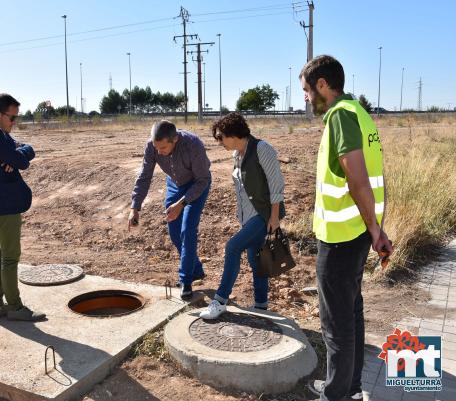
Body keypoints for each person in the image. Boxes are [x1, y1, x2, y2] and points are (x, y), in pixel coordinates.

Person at [299, 55, 393, 401]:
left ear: (323, 85)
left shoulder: (339, 116)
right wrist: (375, 230)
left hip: (340, 238)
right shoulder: (359, 112)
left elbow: (357, 179)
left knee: (336, 323)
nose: (307, 99)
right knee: (350, 311)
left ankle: (335, 395)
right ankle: (349, 388)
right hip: (356, 234)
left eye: (308, 91)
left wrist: (376, 231)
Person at [200, 112, 286, 319]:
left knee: (233, 247)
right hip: (248, 217)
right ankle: (261, 306)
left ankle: (220, 300)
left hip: (264, 215)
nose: (220, 142)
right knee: (256, 259)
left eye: (221, 137)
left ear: (233, 133)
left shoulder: (262, 149)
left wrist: (274, 218)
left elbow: (276, 185)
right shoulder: (237, 155)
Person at [0, 93, 46, 322]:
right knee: (10, 258)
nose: (14, 123)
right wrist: (16, 156)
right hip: (3, 206)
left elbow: (25, 150)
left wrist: (16, 153)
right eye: (12, 118)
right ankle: (14, 307)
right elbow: (22, 161)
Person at [129, 120, 211, 300]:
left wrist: (181, 204)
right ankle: (195, 269)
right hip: (174, 184)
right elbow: (144, 175)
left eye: (163, 148)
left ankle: (186, 280)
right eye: (156, 147)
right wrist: (135, 206)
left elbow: (203, 180)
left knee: (187, 230)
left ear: (175, 139)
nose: (159, 152)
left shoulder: (193, 144)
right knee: (174, 232)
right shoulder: (152, 146)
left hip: (197, 184)